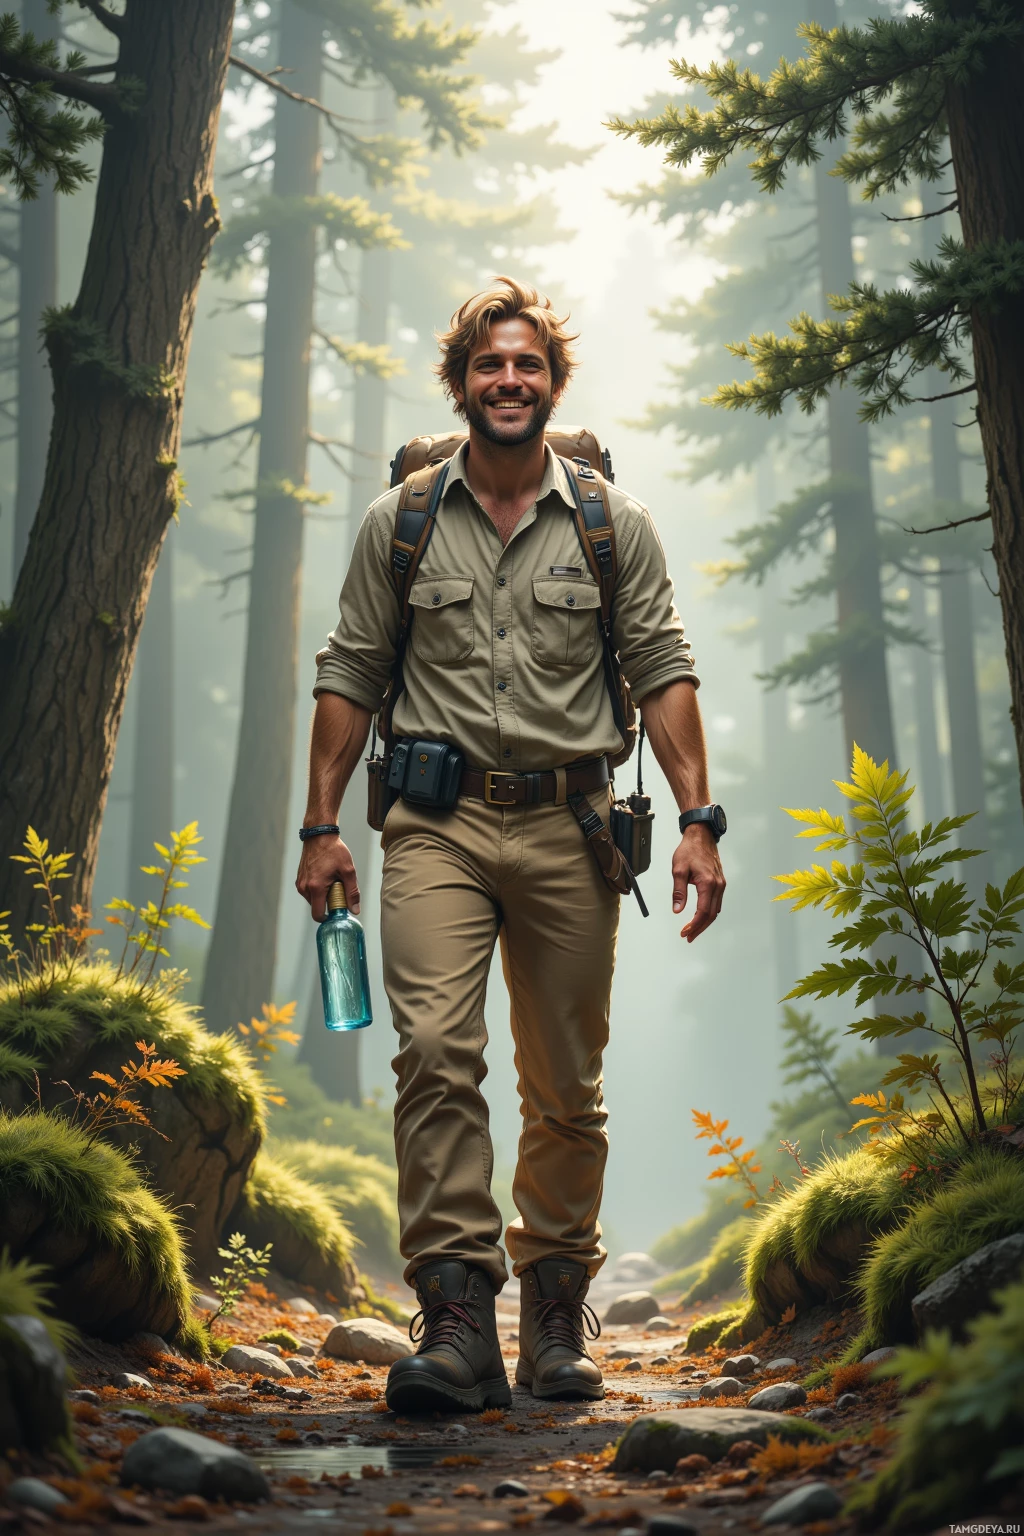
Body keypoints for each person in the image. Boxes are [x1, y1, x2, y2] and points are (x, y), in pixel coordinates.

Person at [295, 277, 725, 1415]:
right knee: (434, 1052)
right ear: (460, 381)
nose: (509, 381)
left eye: (528, 365)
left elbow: (663, 669)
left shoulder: (608, 524)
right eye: (490, 365)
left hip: (572, 829)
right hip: (432, 828)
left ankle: (550, 1313)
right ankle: (450, 1316)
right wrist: (321, 826)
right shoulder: (399, 525)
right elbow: (348, 672)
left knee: (565, 1085)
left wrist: (696, 820)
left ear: (551, 383)